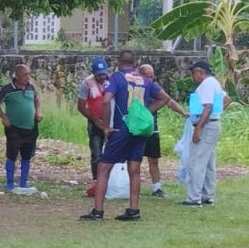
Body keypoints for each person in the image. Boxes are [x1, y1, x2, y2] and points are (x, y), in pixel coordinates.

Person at [79, 49, 171, 222]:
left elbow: (106, 100)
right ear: (134, 63)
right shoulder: (144, 80)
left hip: (122, 128)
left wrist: (107, 127)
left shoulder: (116, 78)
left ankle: (98, 211)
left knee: (103, 168)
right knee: (134, 170)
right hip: (140, 129)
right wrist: (145, 111)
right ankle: (133, 210)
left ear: (119, 62)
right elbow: (164, 98)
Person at [182, 58, 230, 207]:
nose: (193, 77)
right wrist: (216, 113)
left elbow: (207, 106)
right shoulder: (214, 82)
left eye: (193, 73)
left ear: (199, 72)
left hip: (206, 126)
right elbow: (227, 100)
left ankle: (194, 197)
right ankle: (207, 195)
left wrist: (198, 128)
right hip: (212, 124)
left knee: (197, 161)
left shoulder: (206, 84)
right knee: (208, 162)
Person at [138, 63, 187, 198]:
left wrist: (183, 113)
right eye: (147, 76)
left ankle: (157, 188)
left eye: (151, 76)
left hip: (151, 128)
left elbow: (169, 101)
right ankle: (132, 186)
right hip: (136, 128)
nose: (149, 79)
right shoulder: (134, 88)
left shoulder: (155, 88)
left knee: (153, 159)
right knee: (134, 160)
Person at [0, 63, 42, 192]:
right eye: (24, 75)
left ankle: (23, 182)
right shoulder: (7, 89)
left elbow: (37, 100)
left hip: (30, 128)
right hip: (14, 129)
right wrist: (4, 117)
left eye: (28, 74)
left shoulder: (31, 87)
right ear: (17, 76)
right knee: (11, 155)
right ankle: (9, 182)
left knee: (27, 156)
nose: (27, 77)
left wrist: (38, 112)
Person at [76, 57, 109, 196]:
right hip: (95, 123)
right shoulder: (87, 84)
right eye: (99, 74)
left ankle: (111, 182)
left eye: (104, 74)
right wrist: (94, 120)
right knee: (96, 153)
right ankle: (98, 183)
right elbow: (81, 106)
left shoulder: (112, 81)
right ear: (94, 73)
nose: (102, 77)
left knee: (112, 153)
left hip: (111, 123)